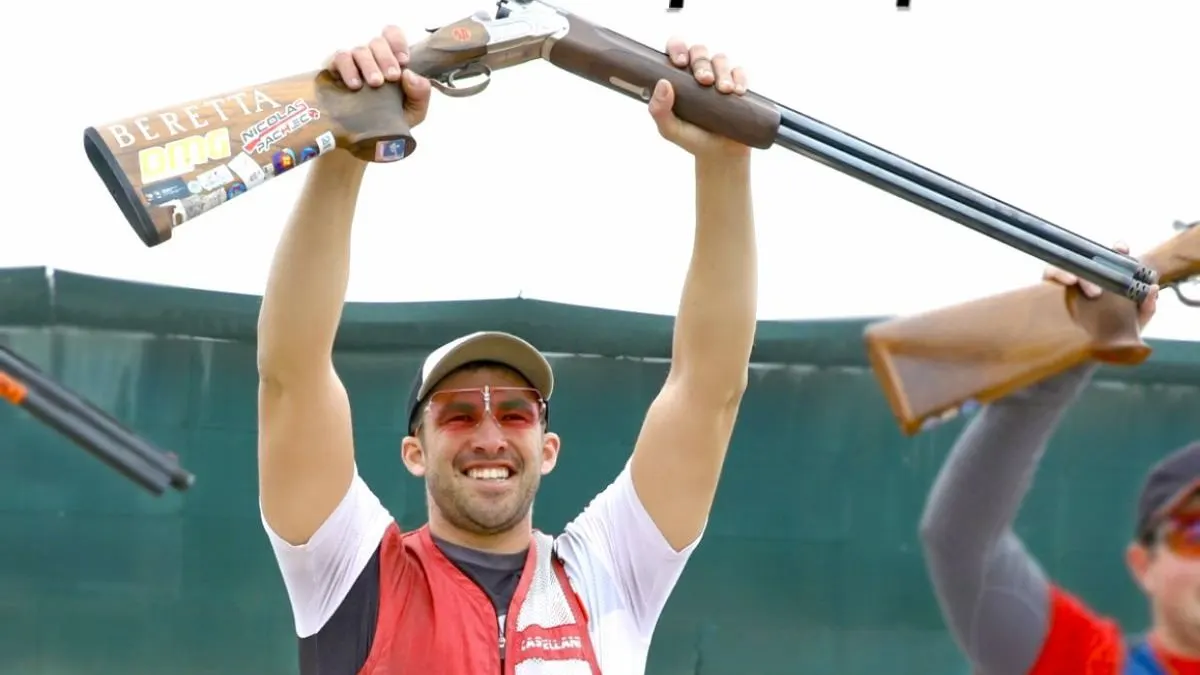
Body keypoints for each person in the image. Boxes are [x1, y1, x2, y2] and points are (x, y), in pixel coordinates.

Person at [255, 25, 758, 675]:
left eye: (515, 411)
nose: (489, 434)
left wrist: (724, 166)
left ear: (548, 446)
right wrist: (347, 149)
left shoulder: (607, 575)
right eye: (459, 412)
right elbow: (291, 373)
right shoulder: (349, 574)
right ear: (415, 450)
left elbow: (709, 389)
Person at [919, 247, 1200, 674]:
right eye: (1193, 532)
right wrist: (1069, 344)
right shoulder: (1087, 661)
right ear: (1144, 565)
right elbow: (960, 540)